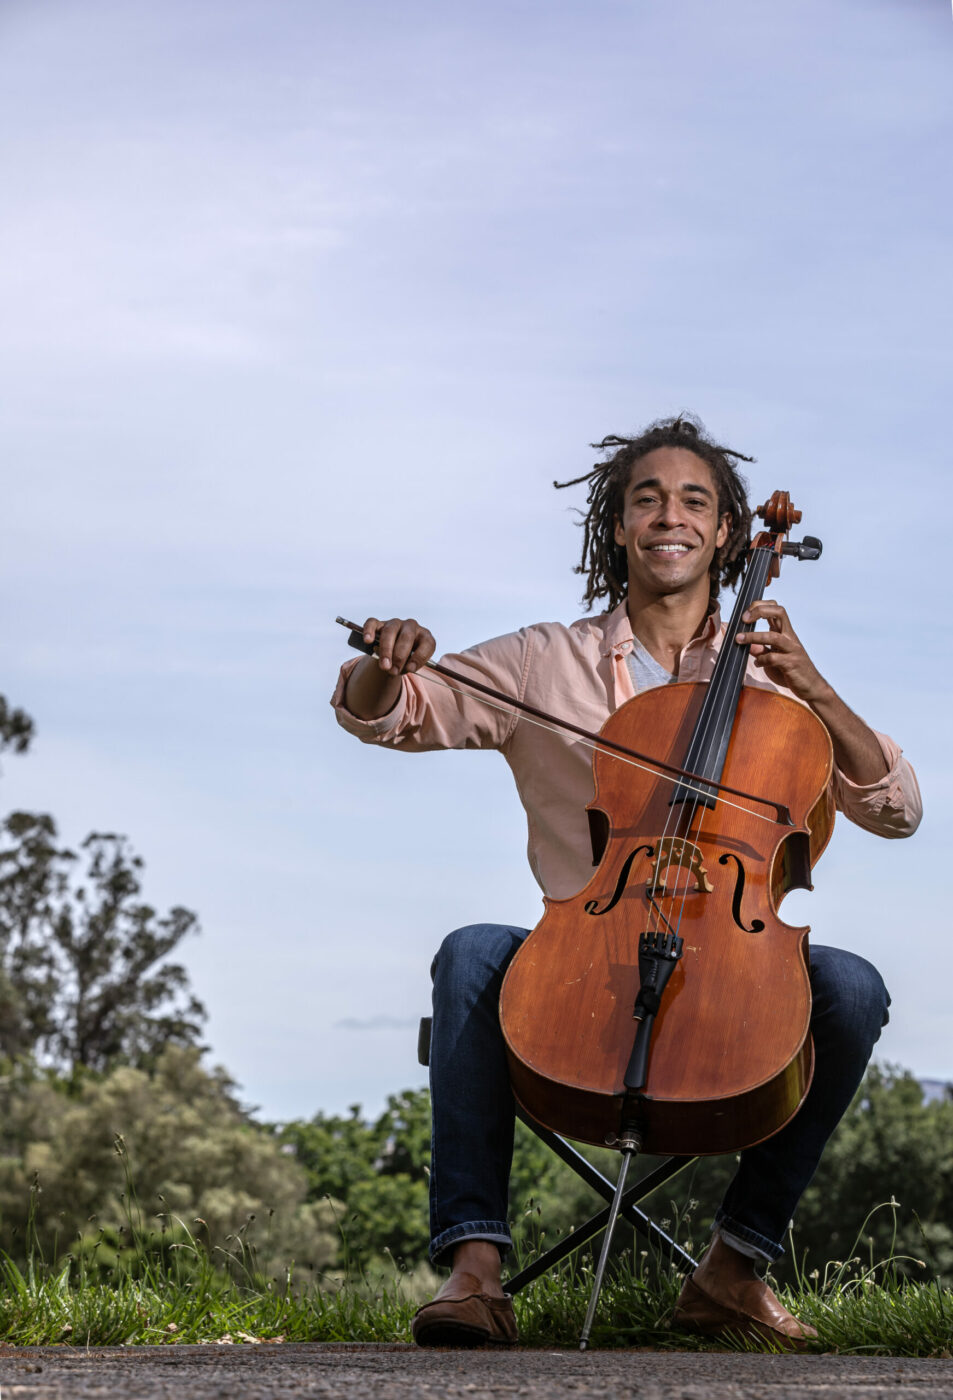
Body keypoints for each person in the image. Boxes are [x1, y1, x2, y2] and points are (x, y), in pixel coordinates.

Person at [331, 415, 921, 1350]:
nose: (668, 516)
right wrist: (380, 663)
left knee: (850, 988)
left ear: (728, 532)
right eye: (646, 498)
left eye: (694, 500)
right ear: (617, 525)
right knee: (471, 954)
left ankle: (731, 1269)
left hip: (727, 987)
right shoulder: (543, 660)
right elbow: (393, 714)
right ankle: (474, 1271)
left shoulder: (774, 689)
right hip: (580, 979)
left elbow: (895, 808)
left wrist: (812, 688)